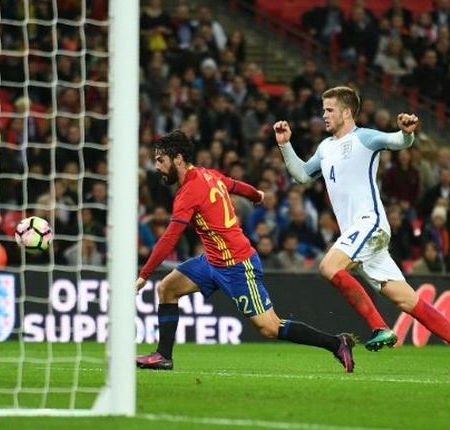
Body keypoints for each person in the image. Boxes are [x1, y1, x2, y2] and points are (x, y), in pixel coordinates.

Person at [274, 86, 450, 377]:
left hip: (369, 223)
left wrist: (407, 132)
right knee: (406, 300)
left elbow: (397, 141)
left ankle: (379, 327)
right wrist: (285, 145)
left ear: (346, 112)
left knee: (329, 266)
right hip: (359, 234)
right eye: (323, 109)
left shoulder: (363, 137)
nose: (324, 115)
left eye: (329, 109)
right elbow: (300, 175)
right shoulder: (325, 147)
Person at [134, 130, 356, 372]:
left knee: (270, 327)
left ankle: (336, 343)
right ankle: (163, 355)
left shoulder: (188, 193)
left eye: (160, 160)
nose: (157, 166)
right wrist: (257, 195)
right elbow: (234, 185)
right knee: (167, 288)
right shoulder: (208, 175)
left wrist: (144, 275)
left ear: (177, 159)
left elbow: (169, 239)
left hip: (237, 264)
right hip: (212, 261)